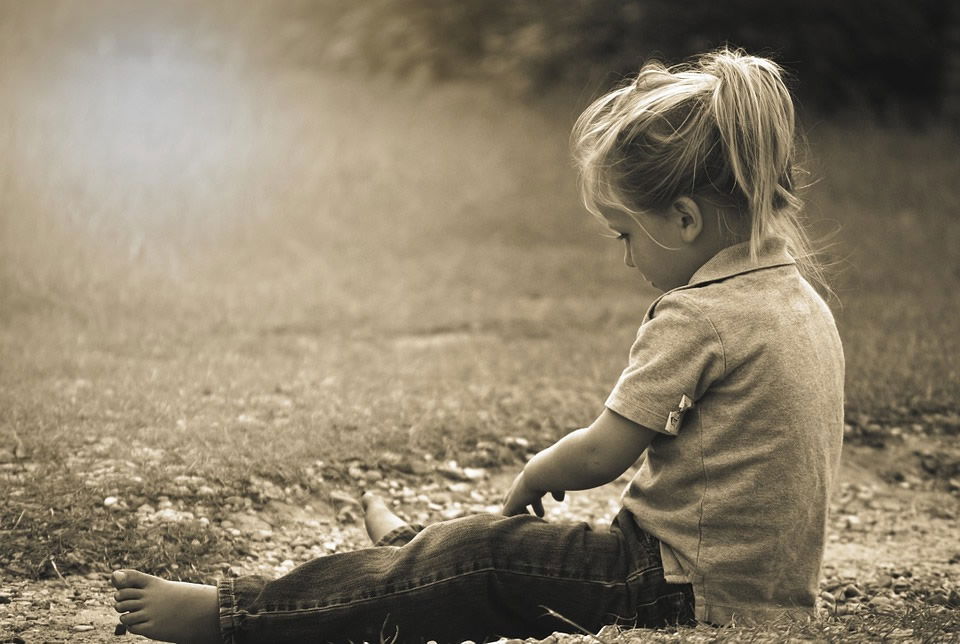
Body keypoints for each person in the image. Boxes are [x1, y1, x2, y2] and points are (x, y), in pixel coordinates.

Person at [110, 46, 844, 643]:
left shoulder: (701, 313)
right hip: (761, 595)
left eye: (626, 234)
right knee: (498, 554)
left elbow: (602, 453)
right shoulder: (799, 301)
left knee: (485, 559)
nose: (626, 258)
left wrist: (535, 471)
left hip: (675, 589)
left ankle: (239, 614)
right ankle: (411, 553)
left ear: (684, 219)